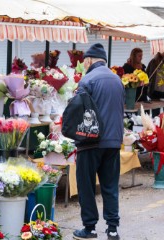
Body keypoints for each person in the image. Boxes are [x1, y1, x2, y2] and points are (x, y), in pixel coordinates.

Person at [73, 43, 124, 240]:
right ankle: (112, 229)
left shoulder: (88, 80)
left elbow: (79, 111)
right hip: (113, 142)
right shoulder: (117, 80)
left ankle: (90, 228)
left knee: (86, 185)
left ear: (89, 60)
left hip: (91, 142)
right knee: (110, 186)